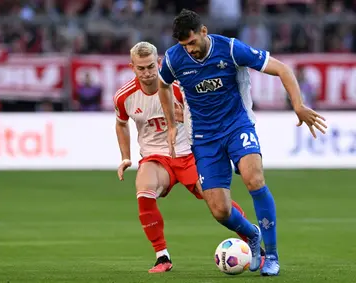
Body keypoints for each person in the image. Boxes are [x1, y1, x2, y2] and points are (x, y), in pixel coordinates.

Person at [158, 9, 327, 276]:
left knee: (254, 179)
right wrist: (170, 123)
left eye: (192, 42)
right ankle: (252, 234)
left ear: (203, 32)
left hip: (237, 125)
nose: (189, 50)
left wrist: (299, 105)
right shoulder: (173, 58)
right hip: (203, 137)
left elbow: (281, 68)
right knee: (220, 210)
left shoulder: (231, 49)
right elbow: (163, 85)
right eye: (184, 45)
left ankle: (272, 256)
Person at [114, 41, 264, 274]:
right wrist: (126, 157)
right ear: (132, 67)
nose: (147, 73)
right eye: (141, 68)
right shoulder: (124, 97)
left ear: (159, 63)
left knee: (218, 204)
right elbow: (121, 123)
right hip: (156, 158)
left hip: (189, 155)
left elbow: (208, 112)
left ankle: (254, 242)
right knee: (143, 189)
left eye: (151, 66)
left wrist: (186, 116)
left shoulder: (179, 88)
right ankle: (162, 256)